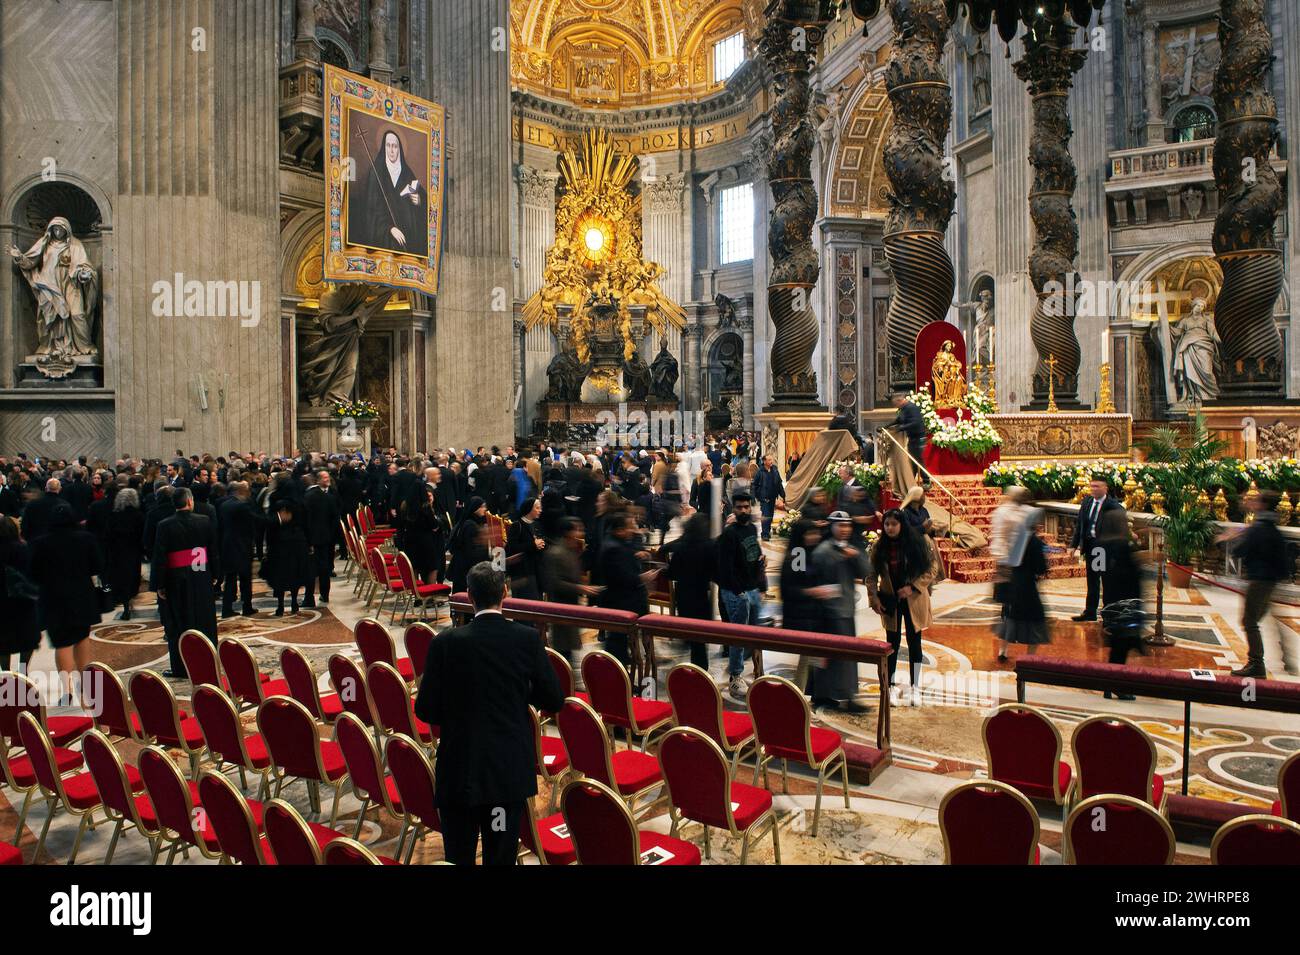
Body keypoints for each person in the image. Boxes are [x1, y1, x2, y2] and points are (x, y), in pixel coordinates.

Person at [413, 562, 563, 866]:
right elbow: (554, 699)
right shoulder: (526, 638)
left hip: (459, 770)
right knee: (500, 855)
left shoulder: (445, 643)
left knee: (459, 856)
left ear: (469, 597)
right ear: (504, 593)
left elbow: (425, 709)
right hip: (504, 775)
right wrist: (520, 692)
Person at [866, 508, 940, 707]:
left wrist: (913, 587)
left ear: (902, 525)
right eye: (887, 524)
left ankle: (915, 687)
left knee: (915, 644)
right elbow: (871, 575)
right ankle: (889, 686)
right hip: (891, 600)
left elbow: (932, 568)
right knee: (892, 644)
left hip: (913, 598)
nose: (890, 528)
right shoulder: (878, 547)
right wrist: (874, 599)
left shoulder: (918, 542)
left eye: (894, 524)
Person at [30, 503, 102, 703]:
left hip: (53, 598)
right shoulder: (86, 539)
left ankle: (67, 690)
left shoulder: (40, 543)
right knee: (82, 639)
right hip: (81, 595)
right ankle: (85, 688)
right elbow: (97, 565)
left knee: (62, 644)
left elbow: (33, 573)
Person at [1221, 489, 1294, 677]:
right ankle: (1288, 657)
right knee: (1267, 617)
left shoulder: (1258, 528)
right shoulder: (1272, 528)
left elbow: (1239, 551)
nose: (1251, 502)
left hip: (1259, 580)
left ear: (1262, 505)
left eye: (1255, 500)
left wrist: (1228, 539)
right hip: (1270, 580)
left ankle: (1256, 663)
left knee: (1249, 620)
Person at [151, 487, 220, 678]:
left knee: (178, 623)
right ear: (190, 502)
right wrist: (216, 574)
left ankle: (181, 667)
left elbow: (160, 557)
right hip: (201, 576)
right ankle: (209, 663)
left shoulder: (164, 525)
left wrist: (159, 584)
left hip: (176, 580)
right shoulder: (204, 521)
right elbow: (213, 549)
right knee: (204, 620)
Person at [805, 512, 866, 710]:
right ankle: (845, 696)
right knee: (836, 657)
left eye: (847, 525)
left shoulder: (850, 550)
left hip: (845, 608)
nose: (845, 529)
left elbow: (865, 572)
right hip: (831, 611)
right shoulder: (823, 552)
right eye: (840, 525)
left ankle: (825, 694)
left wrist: (855, 557)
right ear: (832, 527)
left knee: (840, 656)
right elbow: (816, 582)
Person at [716, 491, 765, 700]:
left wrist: (761, 583)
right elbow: (723, 569)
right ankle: (736, 676)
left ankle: (757, 670)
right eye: (740, 507)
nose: (744, 510)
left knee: (754, 634)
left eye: (747, 507)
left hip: (752, 588)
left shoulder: (752, 528)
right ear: (733, 509)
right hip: (736, 593)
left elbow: (755, 554)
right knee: (738, 636)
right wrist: (739, 592)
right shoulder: (729, 535)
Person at [594, 511, 654, 669]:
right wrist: (643, 578)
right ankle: (616, 675)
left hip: (623, 600)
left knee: (619, 641)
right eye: (629, 527)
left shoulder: (615, 542)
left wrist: (635, 556)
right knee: (617, 643)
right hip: (623, 601)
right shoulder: (614, 548)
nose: (632, 530)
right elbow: (622, 577)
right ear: (619, 529)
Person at [356, 127, 428, 257]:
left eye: (394, 146)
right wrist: (390, 228)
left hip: (408, 241)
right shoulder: (376, 172)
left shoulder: (407, 173)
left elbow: (429, 205)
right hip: (384, 238)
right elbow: (371, 210)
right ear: (384, 148)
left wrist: (419, 200)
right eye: (388, 146)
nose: (391, 150)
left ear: (399, 149)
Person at [540, 517, 600, 667]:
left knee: (569, 648)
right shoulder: (555, 553)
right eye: (577, 529)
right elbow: (553, 583)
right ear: (568, 532)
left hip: (571, 606)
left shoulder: (571, 549)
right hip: (561, 606)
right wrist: (580, 588)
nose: (580, 532)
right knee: (562, 650)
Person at [1097, 507, 1143, 699]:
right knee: (1121, 645)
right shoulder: (1123, 545)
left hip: (1110, 596)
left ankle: (1111, 684)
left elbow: (1097, 568)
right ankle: (1116, 685)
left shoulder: (1101, 544)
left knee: (1117, 643)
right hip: (1126, 601)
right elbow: (1132, 574)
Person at [995, 507, 1051, 660]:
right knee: (1035, 619)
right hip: (1028, 587)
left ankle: (1002, 651)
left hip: (1013, 584)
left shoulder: (1015, 538)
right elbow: (1041, 568)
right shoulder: (1036, 543)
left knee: (1010, 618)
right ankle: (1030, 656)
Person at [663, 512, 717, 669]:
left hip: (684, 595)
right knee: (700, 641)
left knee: (691, 635)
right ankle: (701, 670)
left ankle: (694, 668)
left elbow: (671, 574)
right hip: (701, 595)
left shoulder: (681, 546)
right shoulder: (709, 546)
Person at [1070, 477, 1121, 622]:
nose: (1093, 489)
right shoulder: (1087, 502)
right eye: (1092, 486)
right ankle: (1090, 612)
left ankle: (1108, 614)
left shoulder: (1112, 505)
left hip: (1104, 548)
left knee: (1107, 582)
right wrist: (1073, 545)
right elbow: (1080, 525)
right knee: (1092, 581)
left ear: (1105, 488)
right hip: (1091, 546)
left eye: (1097, 486)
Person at [263, 474, 311, 616]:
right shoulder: (300, 501)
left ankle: (280, 606)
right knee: (295, 572)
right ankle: (295, 602)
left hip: (279, 541)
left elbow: (271, 523)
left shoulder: (275, 499)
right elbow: (306, 523)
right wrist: (309, 542)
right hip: (298, 540)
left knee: (280, 573)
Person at [0, 515, 39, 674]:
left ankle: (6, 672)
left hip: (2, 603)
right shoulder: (23, 548)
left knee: (2, 642)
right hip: (23, 601)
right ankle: (23, 670)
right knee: (27, 639)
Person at [218, 481, 258, 618]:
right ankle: (247, 606)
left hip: (228, 546)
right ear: (241, 491)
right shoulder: (243, 506)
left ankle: (226, 608)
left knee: (230, 579)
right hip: (243, 546)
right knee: (245, 579)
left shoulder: (224, 505)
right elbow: (256, 521)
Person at [106, 487, 145, 620]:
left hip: (117, 552)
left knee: (120, 578)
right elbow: (141, 534)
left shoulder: (114, 515)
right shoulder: (138, 515)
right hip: (133, 551)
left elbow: (109, 535)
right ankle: (130, 596)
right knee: (132, 576)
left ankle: (125, 603)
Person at [303, 470, 341, 606]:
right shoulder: (328, 497)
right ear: (318, 480)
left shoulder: (308, 496)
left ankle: (310, 597)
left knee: (312, 569)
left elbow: (305, 520)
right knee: (324, 568)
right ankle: (324, 595)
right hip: (326, 537)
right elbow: (335, 518)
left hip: (314, 538)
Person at [505, 496, 546, 599]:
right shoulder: (517, 525)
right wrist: (533, 545)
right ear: (529, 509)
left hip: (536, 570)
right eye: (537, 508)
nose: (540, 510)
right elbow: (512, 548)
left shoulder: (537, 524)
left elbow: (542, 541)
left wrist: (542, 544)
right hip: (522, 572)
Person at [448, 497, 490, 594]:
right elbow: (470, 551)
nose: (485, 509)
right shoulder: (470, 525)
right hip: (465, 568)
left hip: (462, 566)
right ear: (475, 508)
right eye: (482, 507)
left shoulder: (468, 522)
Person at [753, 455, 785, 541]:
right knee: (766, 515)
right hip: (764, 498)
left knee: (770, 516)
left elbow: (779, 483)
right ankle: (765, 534)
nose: (771, 461)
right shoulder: (760, 472)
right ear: (764, 461)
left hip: (773, 497)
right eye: (769, 460)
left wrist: (783, 495)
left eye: (772, 459)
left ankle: (767, 531)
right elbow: (754, 485)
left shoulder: (774, 470)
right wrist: (758, 496)